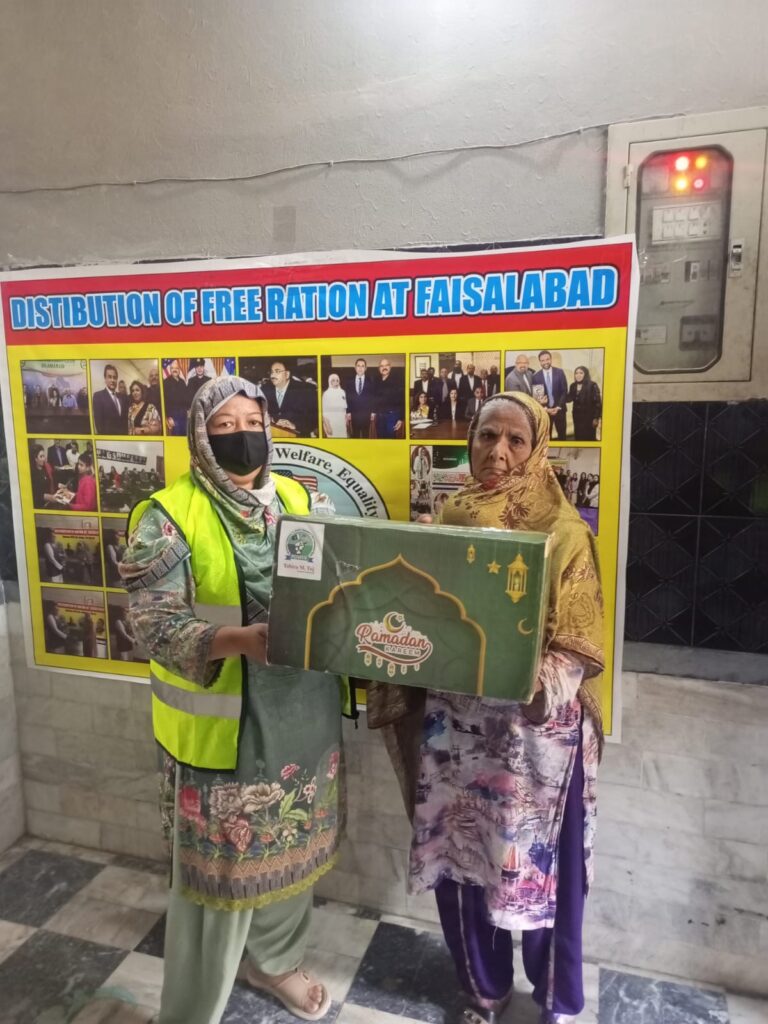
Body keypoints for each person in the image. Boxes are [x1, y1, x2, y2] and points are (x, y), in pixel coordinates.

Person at [367, 391, 604, 1024]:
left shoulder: (564, 532)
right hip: (455, 736)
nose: (497, 451)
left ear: (538, 447)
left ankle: (555, 1000)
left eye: (515, 439)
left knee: (543, 873)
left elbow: (580, 643)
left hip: (535, 746)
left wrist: (533, 684)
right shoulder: (450, 516)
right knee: (462, 858)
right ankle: (482, 989)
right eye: (485, 436)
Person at [120, 375, 347, 1024]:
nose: (242, 435)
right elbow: (153, 625)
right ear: (200, 435)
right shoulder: (168, 515)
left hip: (302, 713)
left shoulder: (298, 496)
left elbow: (338, 580)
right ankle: (190, 1010)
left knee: (289, 850)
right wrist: (240, 640)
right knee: (214, 881)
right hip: (223, 731)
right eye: (224, 426)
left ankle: (275, 962)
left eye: (252, 421)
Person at [263, 360, 316, 436]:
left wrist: (295, 425)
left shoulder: (305, 389)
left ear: (287, 374)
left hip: (298, 437)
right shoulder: (265, 389)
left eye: (277, 371)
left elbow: (314, 418)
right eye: (271, 372)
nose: (272, 376)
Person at [532, 351, 568, 440]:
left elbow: (564, 391)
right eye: (542, 360)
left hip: (560, 410)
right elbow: (537, 398)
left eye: (547, 359)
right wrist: (546, 409)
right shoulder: (536, 377)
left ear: (551, 359)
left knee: (562, 436)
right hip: (545, 412)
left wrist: (558, 407)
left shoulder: (560, 372)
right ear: (540, 362)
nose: (545, 362)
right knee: (547, 438)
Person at [566, 367, 602, 442]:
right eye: (576, 373)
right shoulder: (573, 385)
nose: (578, 375)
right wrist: (561, 394)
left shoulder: (592, 385)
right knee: (578, 436)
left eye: (581, 373)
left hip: (589, 417)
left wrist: (596, 418)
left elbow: (598, 403)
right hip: (577, 417)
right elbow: (569, 398)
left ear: (585, 374)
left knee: (589, 437)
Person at [345, 358, 376, 439]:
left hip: (366, 414)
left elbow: (373, 397)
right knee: (355, 436)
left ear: (365, 368)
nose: (360, 368)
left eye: (362, 366)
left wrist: (373, 412)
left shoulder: (371, 381)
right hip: (354, 414)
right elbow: (348, 397)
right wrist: (348, 412)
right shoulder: (349, 381)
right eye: (358, 366)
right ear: (355, 367)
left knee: (366, 435)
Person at [93, 364, 128, 434]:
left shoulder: (122, 397)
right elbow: (99, 426)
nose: (112, 380)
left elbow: (124, 421)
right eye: (109, 377)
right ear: (105, 379)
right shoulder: (98, 396)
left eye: (114, 378)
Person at [373, 358, 404, 439]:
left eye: (386, 365)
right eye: (382, 366)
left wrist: (401, 419)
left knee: (390, 440)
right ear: (379, 368)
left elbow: (402, 400)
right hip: (379, 417)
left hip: (392, 416)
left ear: (390, 367)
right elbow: (374, 399)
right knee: (380, 440)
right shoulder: (376, 380)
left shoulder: (397, 381)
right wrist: (373, 412)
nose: (384, 368)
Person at [163, 359, 190, 436]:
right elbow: (165, 401)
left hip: (184, 415)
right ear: (170, 370)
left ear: (179, 370)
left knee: (185, 436)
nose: (174, 370)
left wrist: (188, 409)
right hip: (173, 416)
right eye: (172, 368)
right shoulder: (165, 383)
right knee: (177, 436)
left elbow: (186, 397)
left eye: (176, 368)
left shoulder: (182, 382)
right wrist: (168, 417)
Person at [321, 373, 349, 438]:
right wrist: (328, 427)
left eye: (337, 380)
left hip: (342, 423)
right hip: (331, 423)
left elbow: (344, 408)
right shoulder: (326, 394)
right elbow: (324, 413)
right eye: (333, 380)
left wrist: (346, 420)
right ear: (329, 381)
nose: (336, 382)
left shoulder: (342, 392)